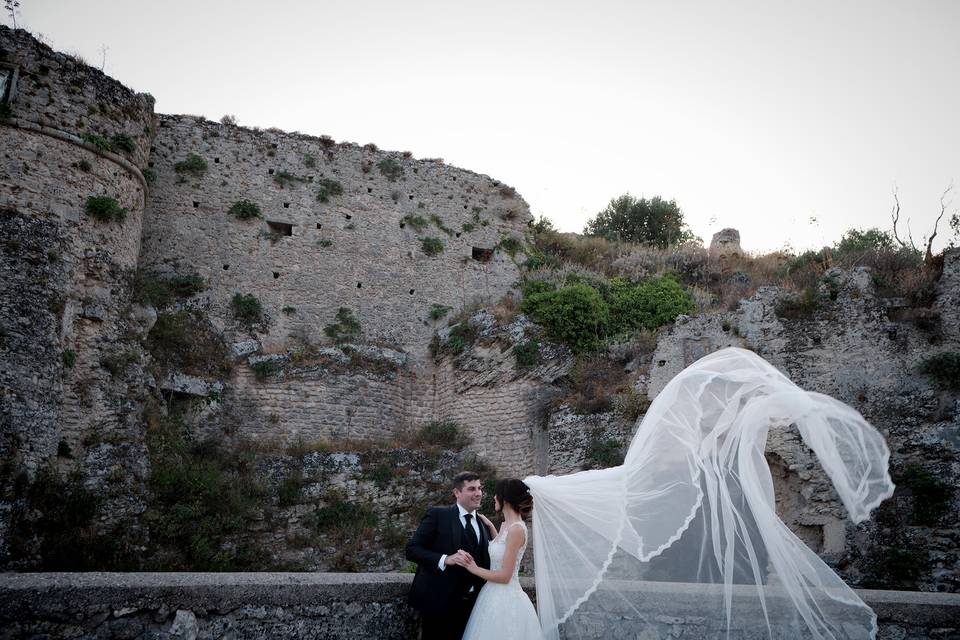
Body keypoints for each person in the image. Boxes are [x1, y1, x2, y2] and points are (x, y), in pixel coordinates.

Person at [523, 347, 895, 640]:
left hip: (715, 577)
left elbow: (635, 490)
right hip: (715, 577)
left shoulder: (725, 470)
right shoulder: (715, 470)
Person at [406, 471, 492, 640]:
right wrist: (445, 559)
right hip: (439, 603)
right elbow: (412, 549)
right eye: (472, 489)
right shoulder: (438, 515)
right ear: (457, 493)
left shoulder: (484, 523)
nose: (478, 493)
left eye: (480, 488)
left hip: (474, 607)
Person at [459, 479, 542, 640]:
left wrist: (473, 567)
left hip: (506, 599)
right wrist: (491, 527)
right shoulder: (506, 526)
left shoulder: (517, 529)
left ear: (506, 499)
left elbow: (505, 577)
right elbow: (503, 550)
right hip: (491, 594)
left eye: (497, 495)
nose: (494, 498)